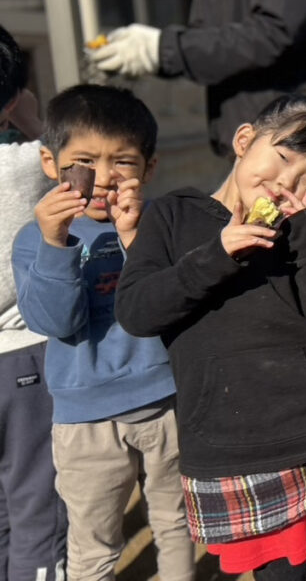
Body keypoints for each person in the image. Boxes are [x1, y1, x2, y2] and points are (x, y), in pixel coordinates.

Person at [114, 94, 306, 580]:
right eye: (283, 159)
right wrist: (215, 255)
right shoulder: (172, 218)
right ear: (244, 140)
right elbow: (138, 312)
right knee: (282, 575)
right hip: (234, 445)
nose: (286, 183)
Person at [11, 83, 194, 579]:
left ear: (149, 168)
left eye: (124, 162)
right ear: (51, 163)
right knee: (93, 544)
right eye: (84, 161)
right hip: (84, 419)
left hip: (164, 401)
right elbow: (55, 322)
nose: (105, 178)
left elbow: (170, 304)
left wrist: (136, 238)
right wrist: (54, 243)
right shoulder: (35, 237)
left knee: (176, 523)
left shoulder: (160, 222)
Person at [87, 0, 306, 158]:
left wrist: (162, 49)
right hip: (247, 139)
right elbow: (213, 42)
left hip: (301, 145)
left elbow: (275, 33)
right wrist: (152, 57)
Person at [0, 24, 67, 581]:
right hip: (23, 359)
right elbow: (68, 159)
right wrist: (24, 110)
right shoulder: (28, 164)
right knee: (37, 506)